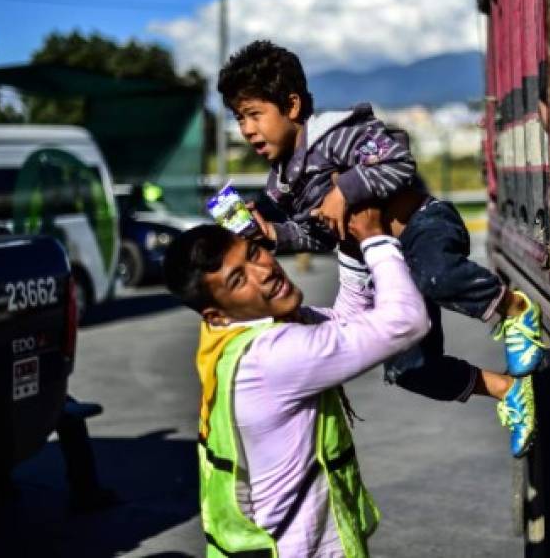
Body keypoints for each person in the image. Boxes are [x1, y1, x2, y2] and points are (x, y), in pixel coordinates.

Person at [216, 40, 545, 457]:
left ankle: (514, 311)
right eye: (238, 118)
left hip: (424, 227)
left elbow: (399, 162)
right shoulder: (279, 187)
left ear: (292, 105)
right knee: (410, 370)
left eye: (253, 114)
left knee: (436, 274)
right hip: (389, 263)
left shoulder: (337, 136)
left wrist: (345, 191)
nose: (246, 130)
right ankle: (510, 391)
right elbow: (322, 235)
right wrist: (275, 236)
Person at [164, 205, 429, 557]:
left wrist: (348, 245)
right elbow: (405, 322)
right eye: (239, 280)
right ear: (217, 312)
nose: (264, 272)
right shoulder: (271, 356)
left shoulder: (234, 337)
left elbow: (347, 322)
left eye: (254, 253)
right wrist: (375, 238)